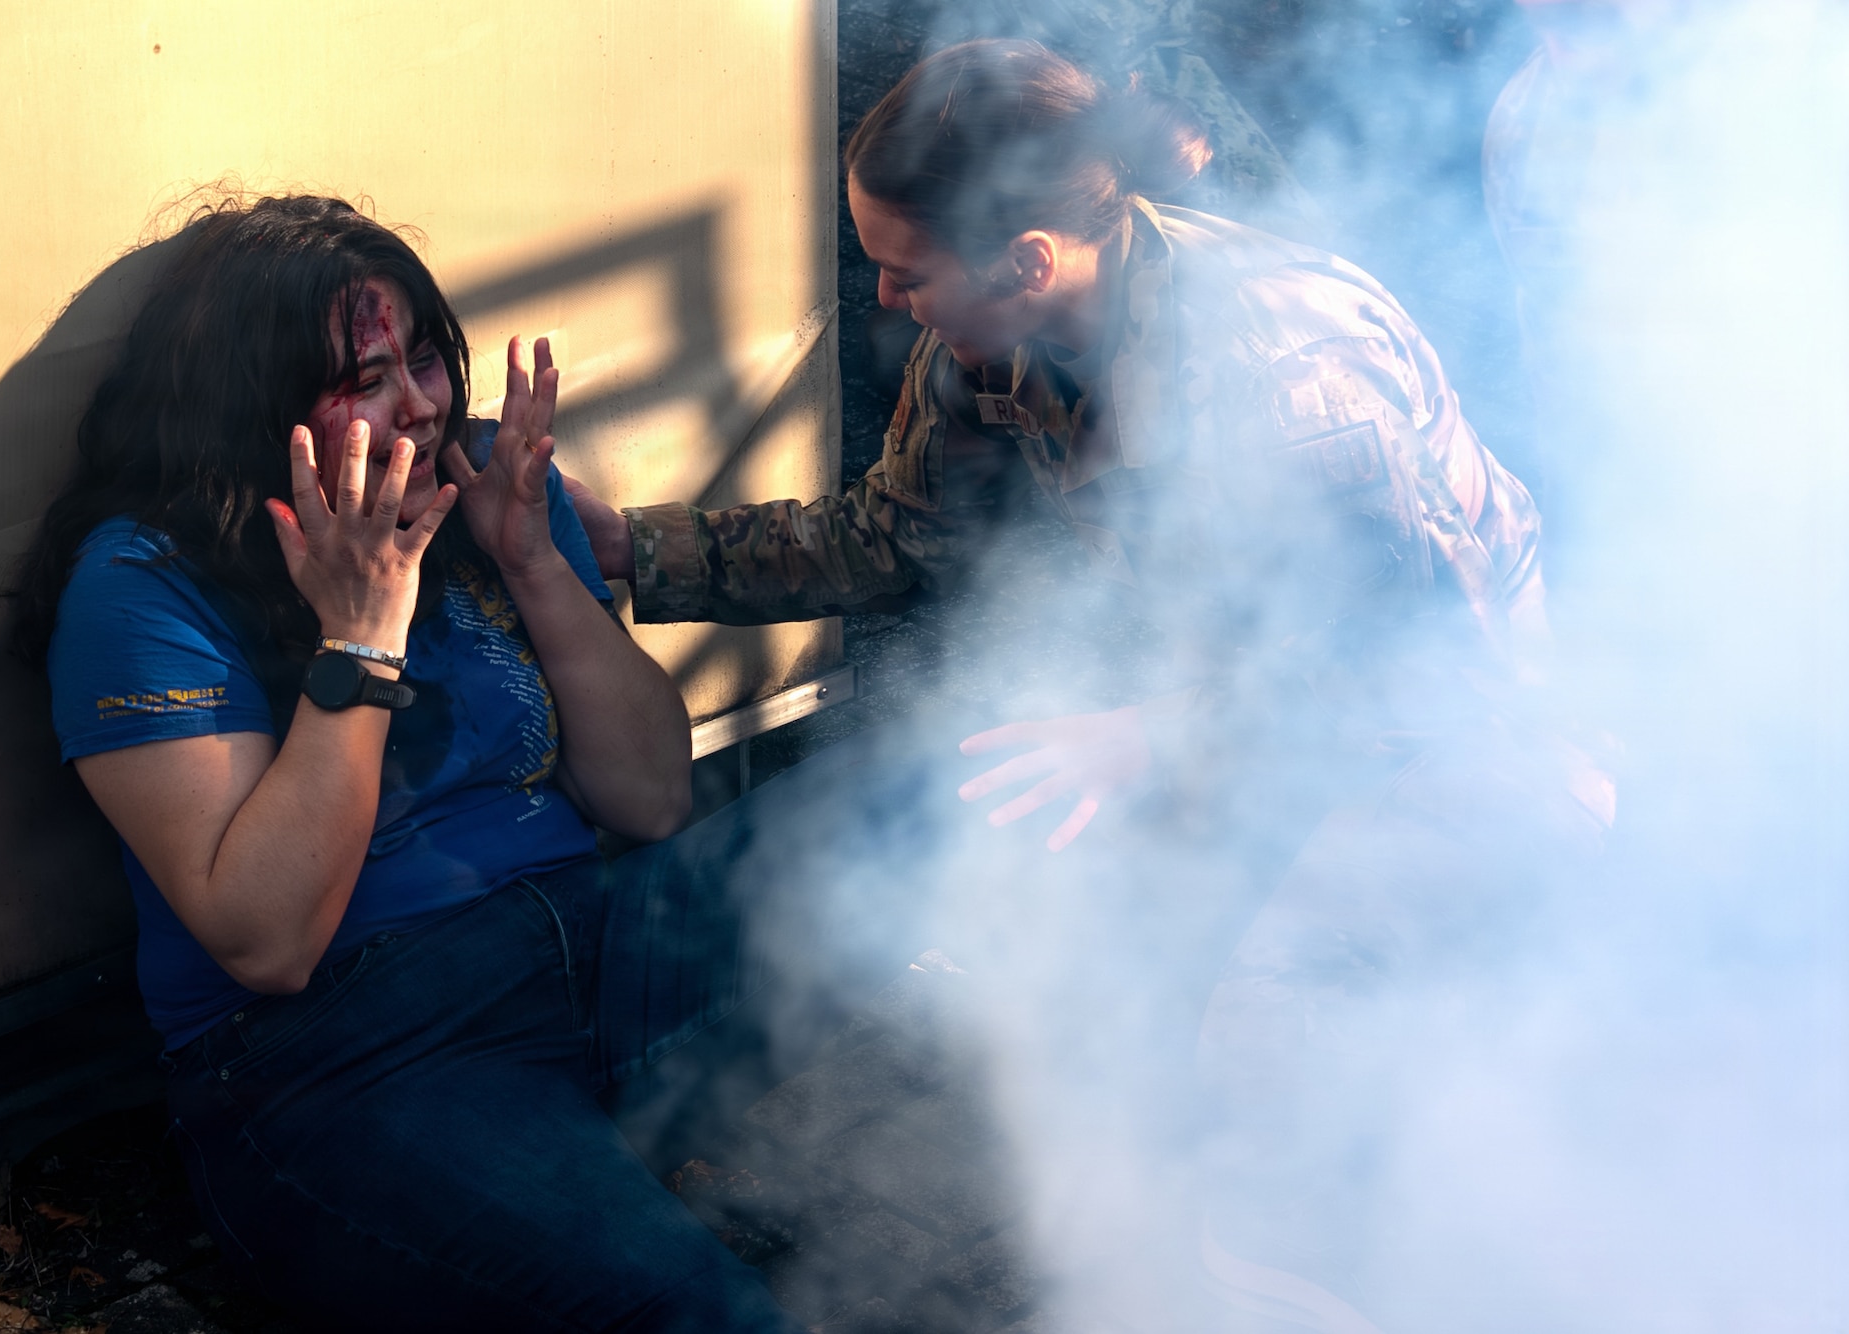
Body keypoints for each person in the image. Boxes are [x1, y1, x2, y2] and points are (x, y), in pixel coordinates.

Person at [569, 38, 1610, 1325]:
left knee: (1246, 1077)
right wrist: (636, 548)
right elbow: (891, 535)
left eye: (905, 272)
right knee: (905, 894)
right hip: (1210, 702)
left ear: (1024, 261)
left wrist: (1150, 737)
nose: (886, 300)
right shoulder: (981, 343)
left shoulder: (1287, 369)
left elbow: (1413, 671)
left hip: (1444, 757)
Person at [9, 195, 815, 1332]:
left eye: (429, 356)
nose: (425, 405)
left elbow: (650, 792)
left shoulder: (476, 484)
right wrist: (359, 638)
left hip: (588, 945)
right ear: (258, 397)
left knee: (936, 794)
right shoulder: (144, 581)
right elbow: (267, 938)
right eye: (369, 376)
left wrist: (532, 560)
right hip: (354, 1056)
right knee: (700, 1310)